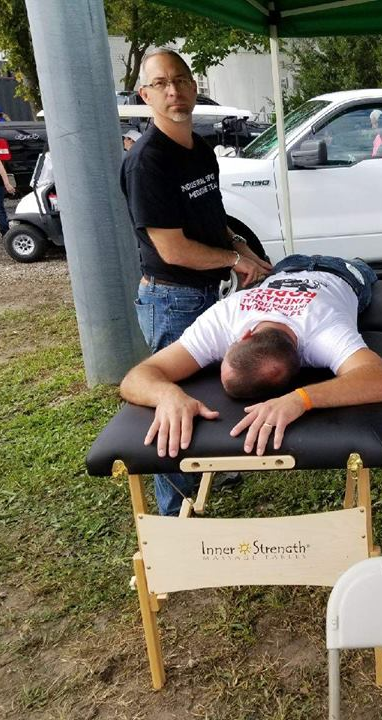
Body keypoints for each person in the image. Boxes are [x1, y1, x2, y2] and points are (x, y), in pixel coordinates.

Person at [119, 255, 382, 516]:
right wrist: (167, 394)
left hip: (344, 272)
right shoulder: (223, 318)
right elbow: (137, 377)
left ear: (245, 336)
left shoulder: (325, 327)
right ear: (243, 335)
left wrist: (301, 399)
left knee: (362, 270)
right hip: (283, 270)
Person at [121, 48, 273, 514]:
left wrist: (241, 248)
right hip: (172, 298)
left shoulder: (201, 146)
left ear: (194, 86)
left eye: (182, 80)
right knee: (173, 402)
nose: (174, 91)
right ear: (145, 94)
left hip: (208, 292)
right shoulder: (148, 162)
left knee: (209, 388)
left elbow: (209, 215)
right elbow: (172, 248)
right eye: (161, 84)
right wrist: (232, 259)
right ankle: (174, 509)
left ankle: (212, 465)